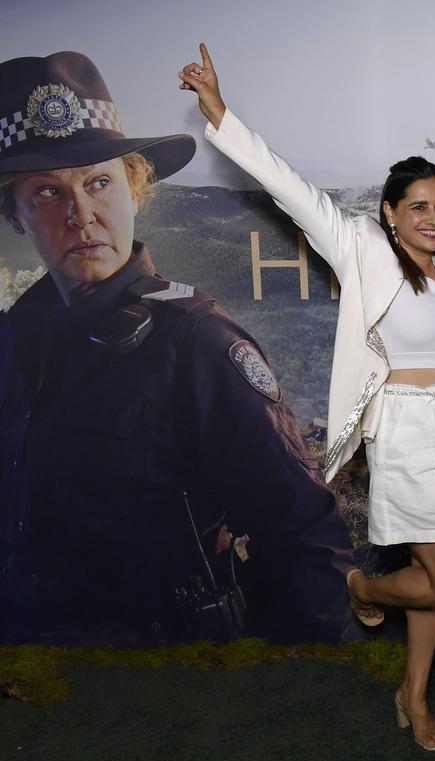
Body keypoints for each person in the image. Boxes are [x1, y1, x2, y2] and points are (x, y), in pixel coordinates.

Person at [180, 43, 435, 752]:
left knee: (433, 574)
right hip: (407, 433)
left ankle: (414, 697)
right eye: (417, 207)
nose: (432, 218)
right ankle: (364, 590)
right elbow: (290, 188)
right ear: (389, 213)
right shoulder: (361, 246)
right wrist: (221, 114)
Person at [0, 51, 355, 648]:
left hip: (161, 683)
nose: (81, 215)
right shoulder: (10, 342)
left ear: (135, 189)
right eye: (46, 192)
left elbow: (308, 541)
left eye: (99, 182)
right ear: (16, 214)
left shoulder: (196, 342)